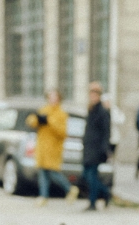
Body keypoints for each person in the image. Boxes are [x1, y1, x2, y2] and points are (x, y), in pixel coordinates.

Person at [26, 89, 79, 205]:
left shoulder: (61, 113)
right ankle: (43, 196)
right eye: (51, 97)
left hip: (53, 148)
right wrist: (37, 120)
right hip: (42, 147)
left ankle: (70, 189)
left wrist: (49, 121)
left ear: (59, 99)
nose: (52, 100)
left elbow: (63, 132)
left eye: (55, 98)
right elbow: (31, 121)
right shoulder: (44, 110)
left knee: (53, 172)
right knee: (43, 172)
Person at [83, 82, 113, 211]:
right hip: (88, 147)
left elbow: (106, 131)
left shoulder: (102, 111)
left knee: (92, 176)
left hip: (96, 148)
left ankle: (92, 202)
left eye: (95, 94)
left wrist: (104, 149)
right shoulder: (91, 109)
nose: (92, 96)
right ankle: (106, 193)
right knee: (86, 175)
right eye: (91, 94)